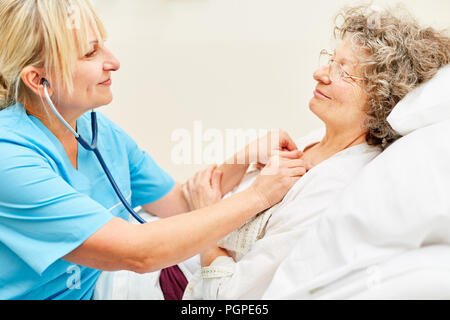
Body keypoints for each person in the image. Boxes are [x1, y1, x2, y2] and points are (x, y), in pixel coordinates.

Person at [0, 0, 308, 300]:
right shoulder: (10, 157)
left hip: (108, 281)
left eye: (103, 44)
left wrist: (242, 159)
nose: (114, 61)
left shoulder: (98, 130)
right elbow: (140, 253)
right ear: (39, 80)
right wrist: (258, 196)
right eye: (91, 52)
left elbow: (180, 202)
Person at [182, 4, 450, 299]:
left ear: (382, 97)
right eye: (331, 60)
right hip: (172, 250)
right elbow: (200, 189)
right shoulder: (315, 140)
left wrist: (203, 221)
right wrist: (243, 158)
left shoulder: (334, 188)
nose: (319, 73)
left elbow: (233, 297)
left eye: (343, 72)